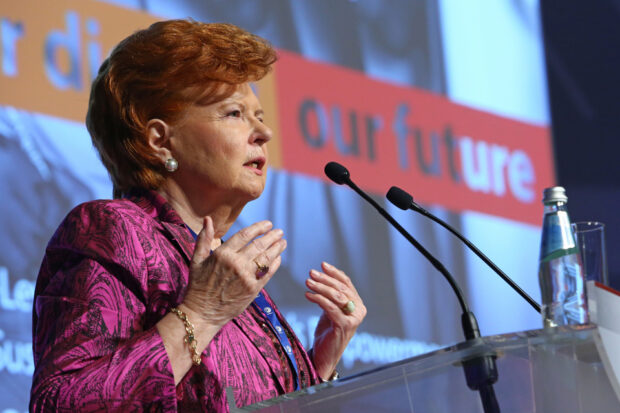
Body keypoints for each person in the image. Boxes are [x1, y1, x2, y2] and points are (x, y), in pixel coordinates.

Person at [30, 19, 366, 412]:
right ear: (159, 140)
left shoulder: (222, 265)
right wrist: (201, 313)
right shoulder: (113, 230)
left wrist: (319, 367)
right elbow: (64, 403)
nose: (264, 133)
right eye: (235, 114)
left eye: (260, 115)